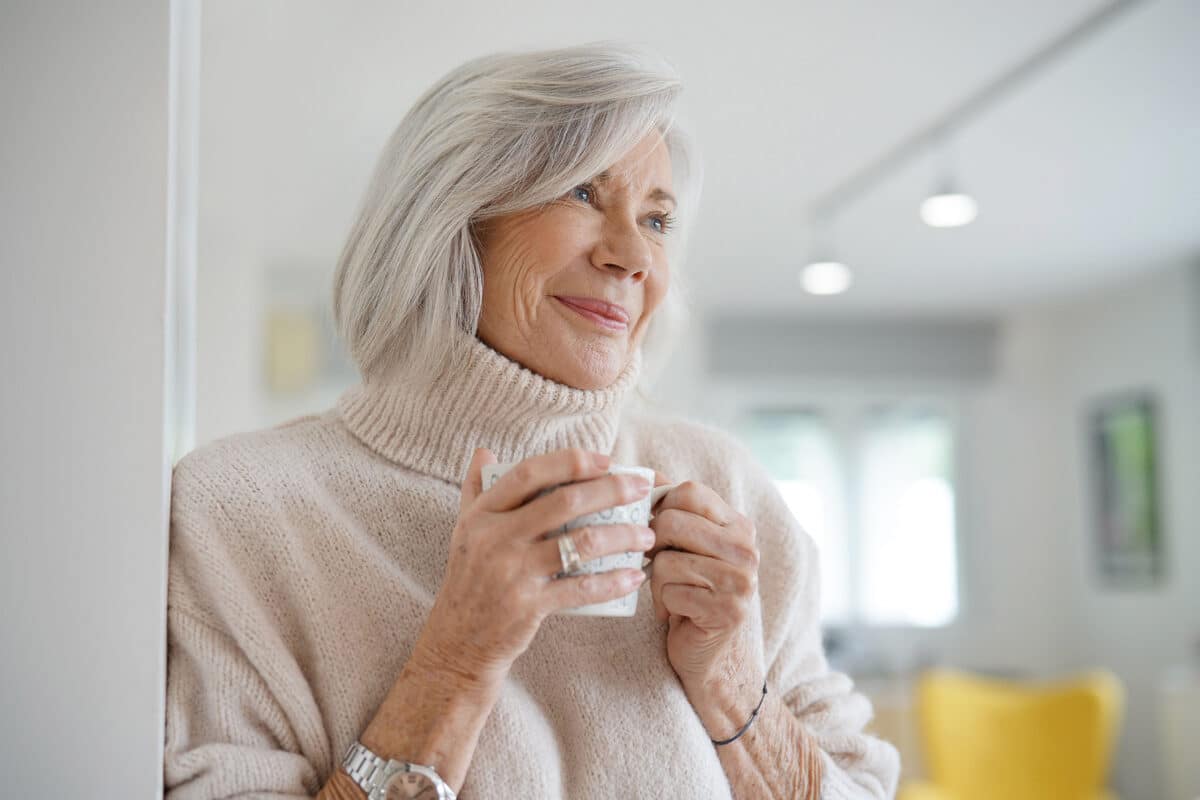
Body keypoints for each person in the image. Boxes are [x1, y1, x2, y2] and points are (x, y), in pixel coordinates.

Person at [164, 41, 900, 799]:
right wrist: (455, 661)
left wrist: (734, 687)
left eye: (656, 219)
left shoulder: (724, 486)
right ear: (451, 217)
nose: (632, 255)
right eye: (583, 192)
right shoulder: (241, 510)